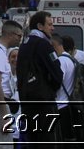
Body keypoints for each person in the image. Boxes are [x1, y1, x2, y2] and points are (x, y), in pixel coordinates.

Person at [17, 11, 64, 145]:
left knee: (33, 141)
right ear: (40, 26)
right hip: (43, 103)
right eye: (49, 24)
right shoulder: (43, 44)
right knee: (47, 141)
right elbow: (57, 73)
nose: (52, 28)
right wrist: (52, 88)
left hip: (27, 102)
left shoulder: (24, 45)